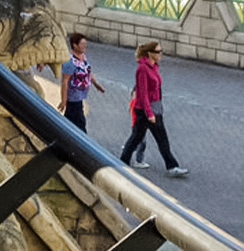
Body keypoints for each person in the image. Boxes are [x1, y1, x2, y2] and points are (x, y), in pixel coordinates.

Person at [120, 41, 188, 176]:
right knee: (144, 138)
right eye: (158, 51)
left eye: (161, 51)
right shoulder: (142, 69)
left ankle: (122, 162)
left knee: (139, 138)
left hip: (154, 107)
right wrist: (149, 113)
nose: (160, 53)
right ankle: (172, 167)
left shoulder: (154, 66)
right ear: (150, 53)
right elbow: (143, 93)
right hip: (145, 109)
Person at [57, 32, 105, 132]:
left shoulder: (83, 57)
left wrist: (96, 84)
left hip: (79, 98)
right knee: (80, 124)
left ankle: (63, 138)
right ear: (75, 45)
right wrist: (64, 100)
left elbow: (87, 72)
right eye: (82, 45)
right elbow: (64, 81)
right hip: (73, 99)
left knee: (70, 123)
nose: (85, 47)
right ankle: (83, 144)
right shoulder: (70, 62)